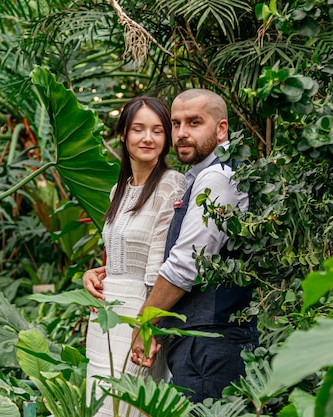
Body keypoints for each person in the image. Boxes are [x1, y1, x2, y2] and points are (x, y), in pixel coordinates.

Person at [130, 88, 259, 403]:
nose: (182, 133)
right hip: (202, 341)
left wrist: (144, 323)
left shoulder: (217, 178)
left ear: (221, 128)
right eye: (176, 124)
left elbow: (186, 264)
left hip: (213, 343)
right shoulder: (201, 176)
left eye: (194, 122)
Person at [82, 96, 187, 417]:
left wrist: (147, 326)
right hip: (105, 315)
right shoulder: (119, 191)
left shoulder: (172, 185)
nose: (147, 138)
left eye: (157, 131)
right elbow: (125, 253)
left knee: (129, 406)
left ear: (166, 138)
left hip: (138, 315)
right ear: (124, 135)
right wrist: (98, 272)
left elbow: (160, 265)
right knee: (98, 403)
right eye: (138, 129)